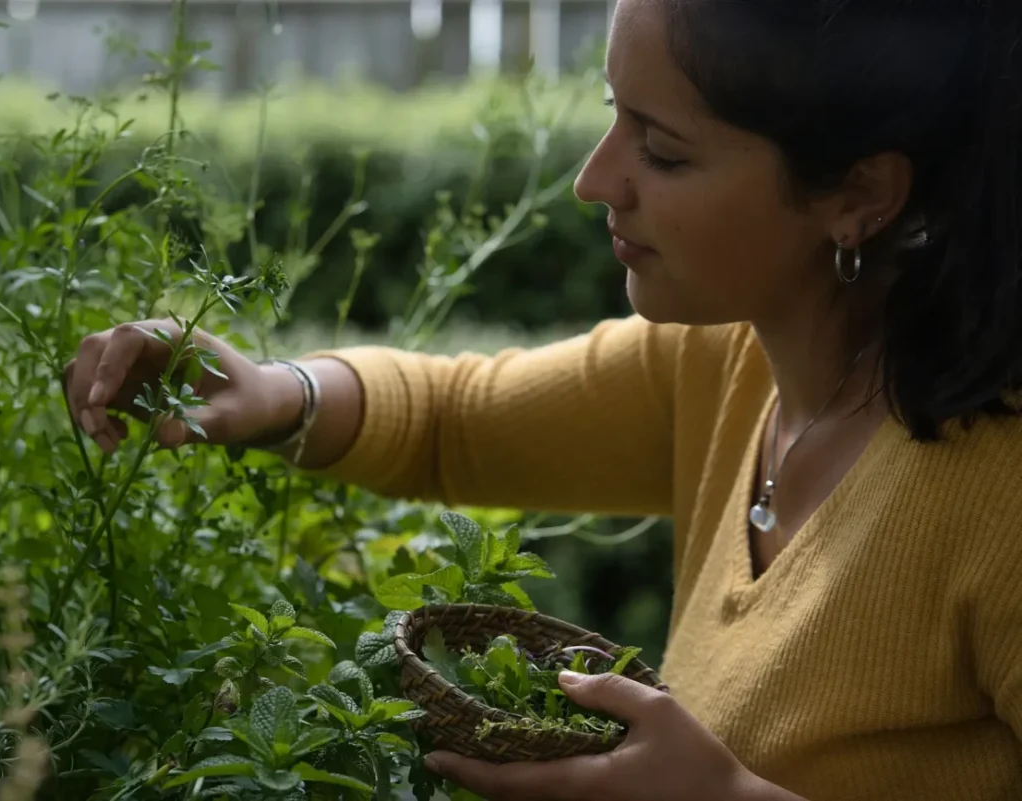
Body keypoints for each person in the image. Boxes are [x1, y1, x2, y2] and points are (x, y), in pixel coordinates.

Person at [63, 0, 1022, 798]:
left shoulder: (998, 491)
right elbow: (456, 417)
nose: (593, 180)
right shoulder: (730, 362)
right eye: (615, 115)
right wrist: (278, 391)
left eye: (665, 151)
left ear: (862, 195)